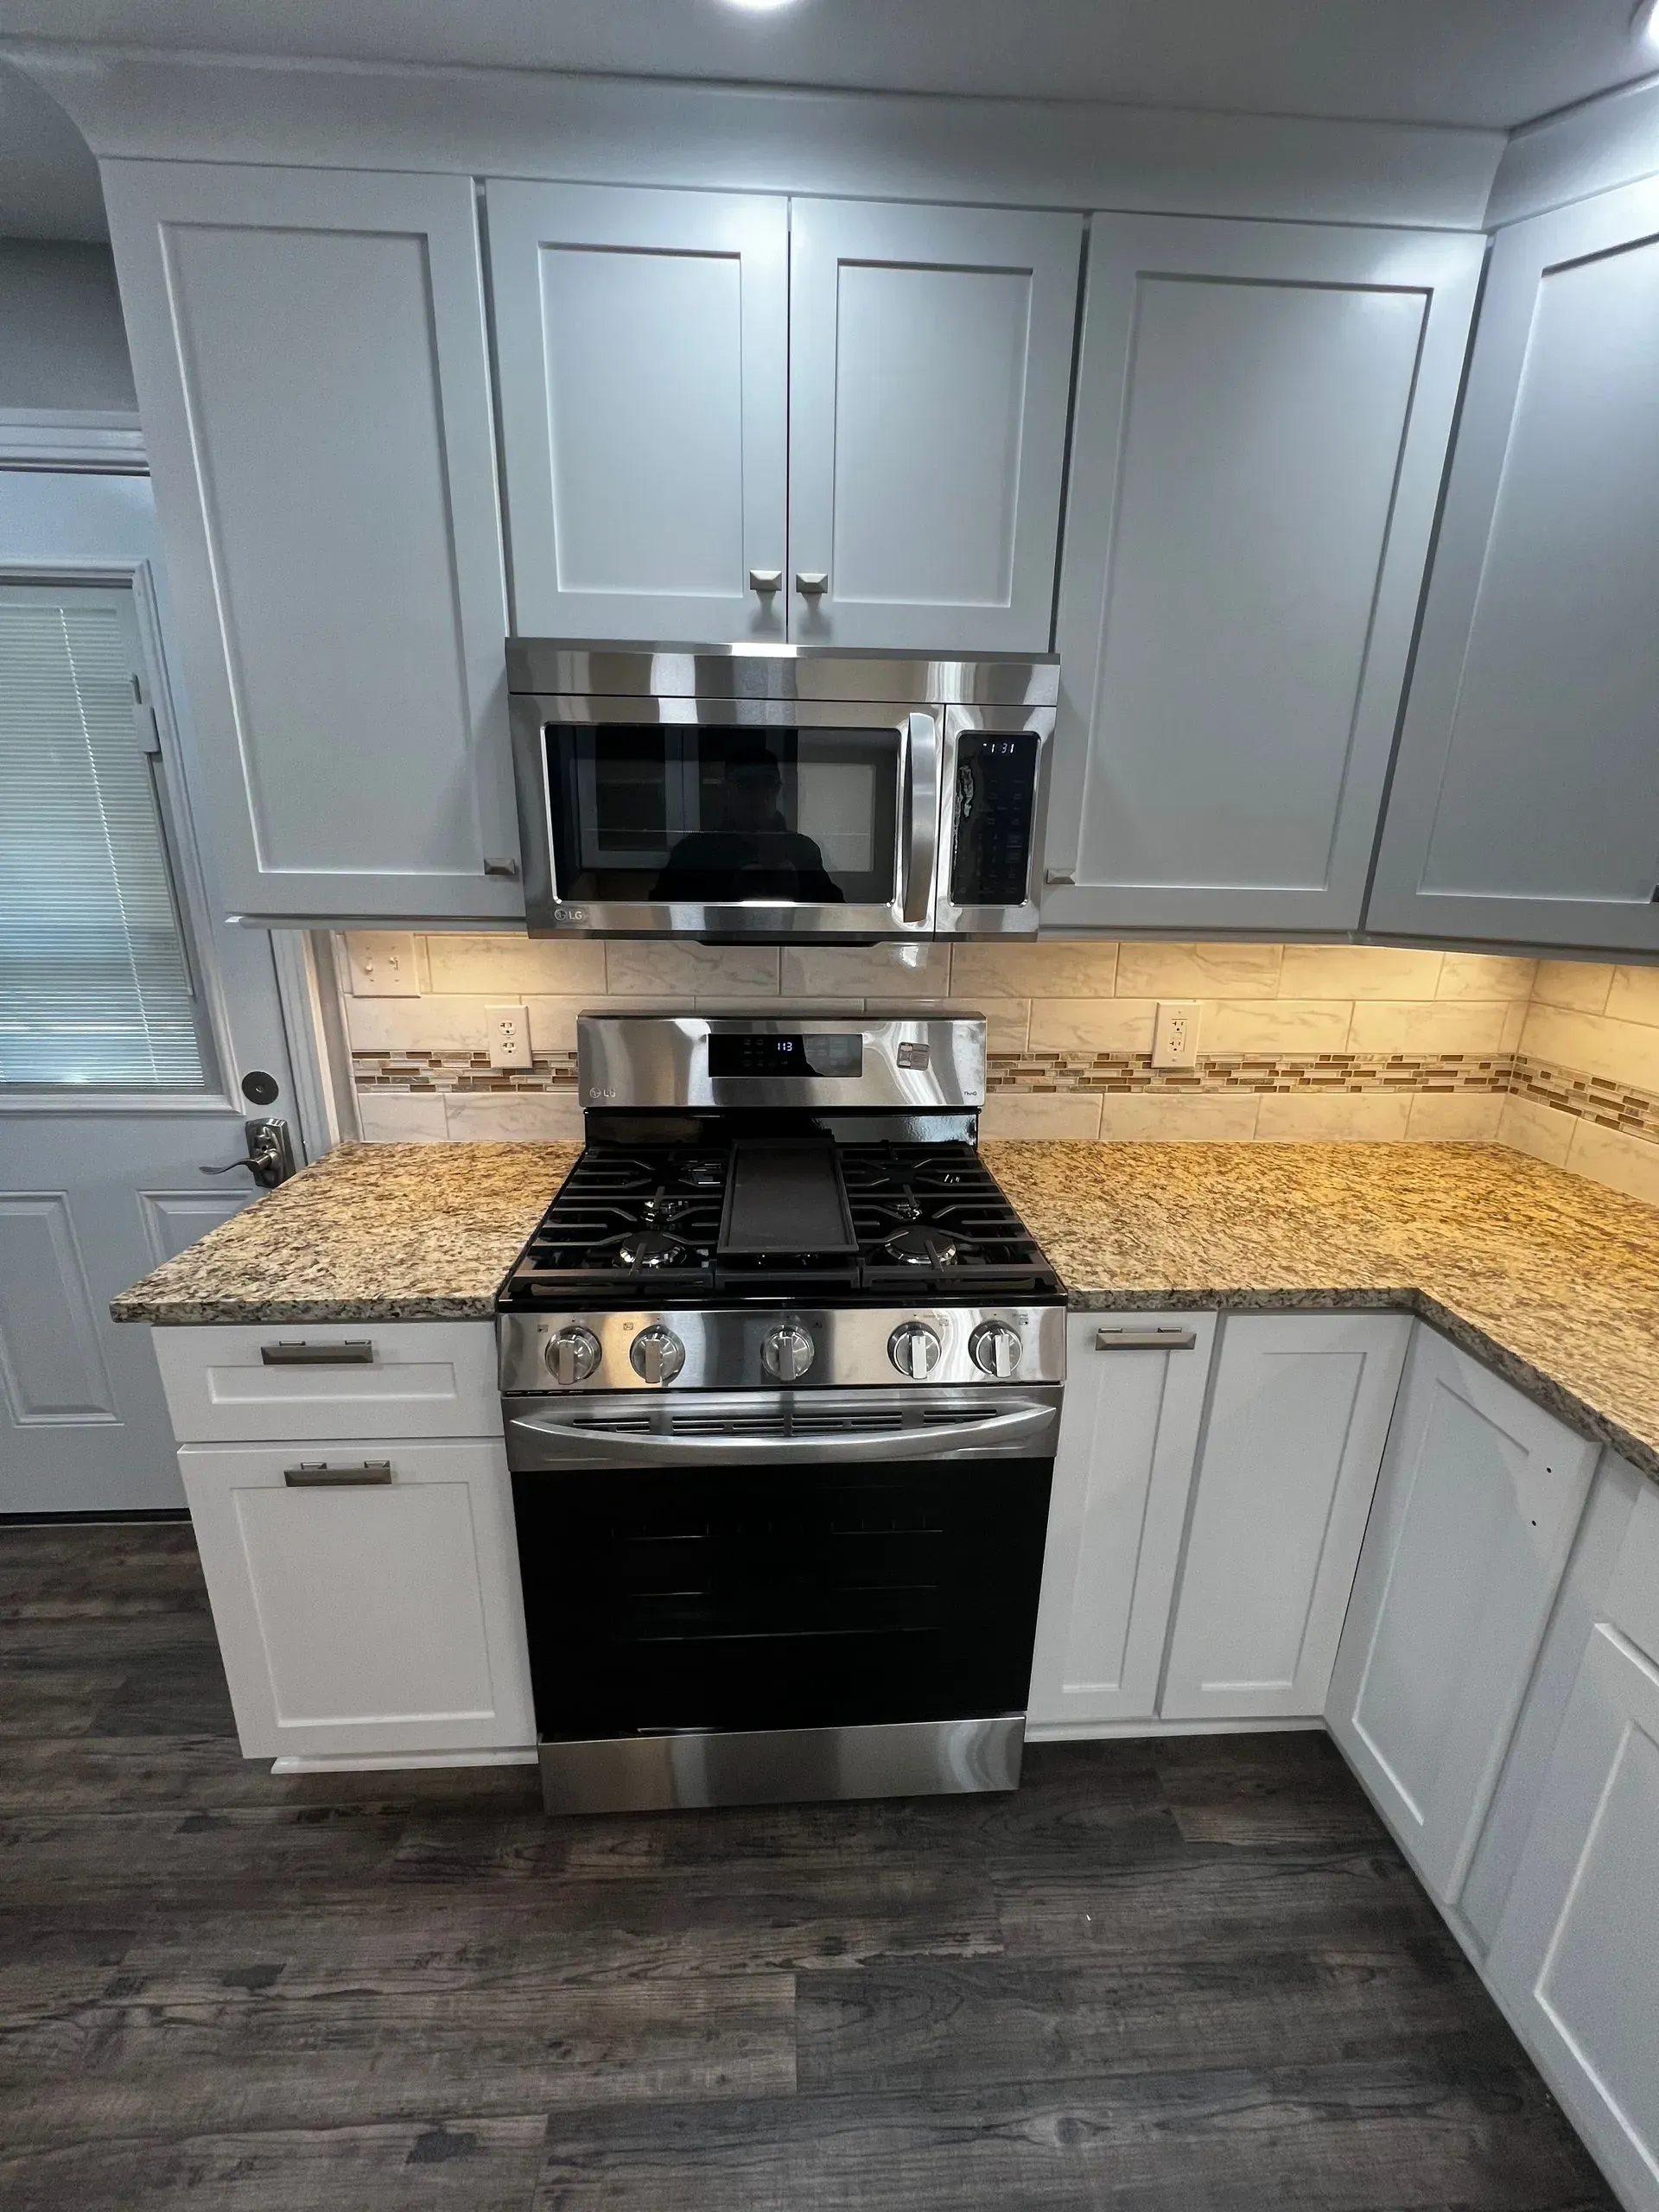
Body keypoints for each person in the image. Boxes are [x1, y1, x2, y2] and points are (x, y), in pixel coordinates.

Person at [652, 746, 844, 902]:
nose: (758, 795)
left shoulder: (803, 851)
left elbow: (831, 919)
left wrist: (791, 883)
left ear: (777, 789)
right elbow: (662, 919)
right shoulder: (692, 853)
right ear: (727, 790)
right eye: (746, 784)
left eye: (767, 784)